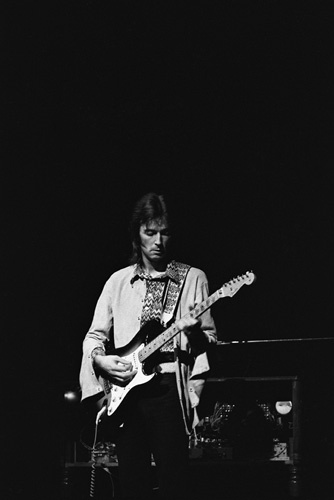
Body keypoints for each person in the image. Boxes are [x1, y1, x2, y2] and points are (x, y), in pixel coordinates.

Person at [79, 192, 217, 500]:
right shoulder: (117, 282)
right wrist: (100, 360)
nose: (158, 241)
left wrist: (193, 333)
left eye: (165, 232)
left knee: (174, 478)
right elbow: (93, 336)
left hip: (169, 386)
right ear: (136, 233)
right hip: (127, 387)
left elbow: (209, 341)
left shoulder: (193, 278)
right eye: (150, 232)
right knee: (131, 480)